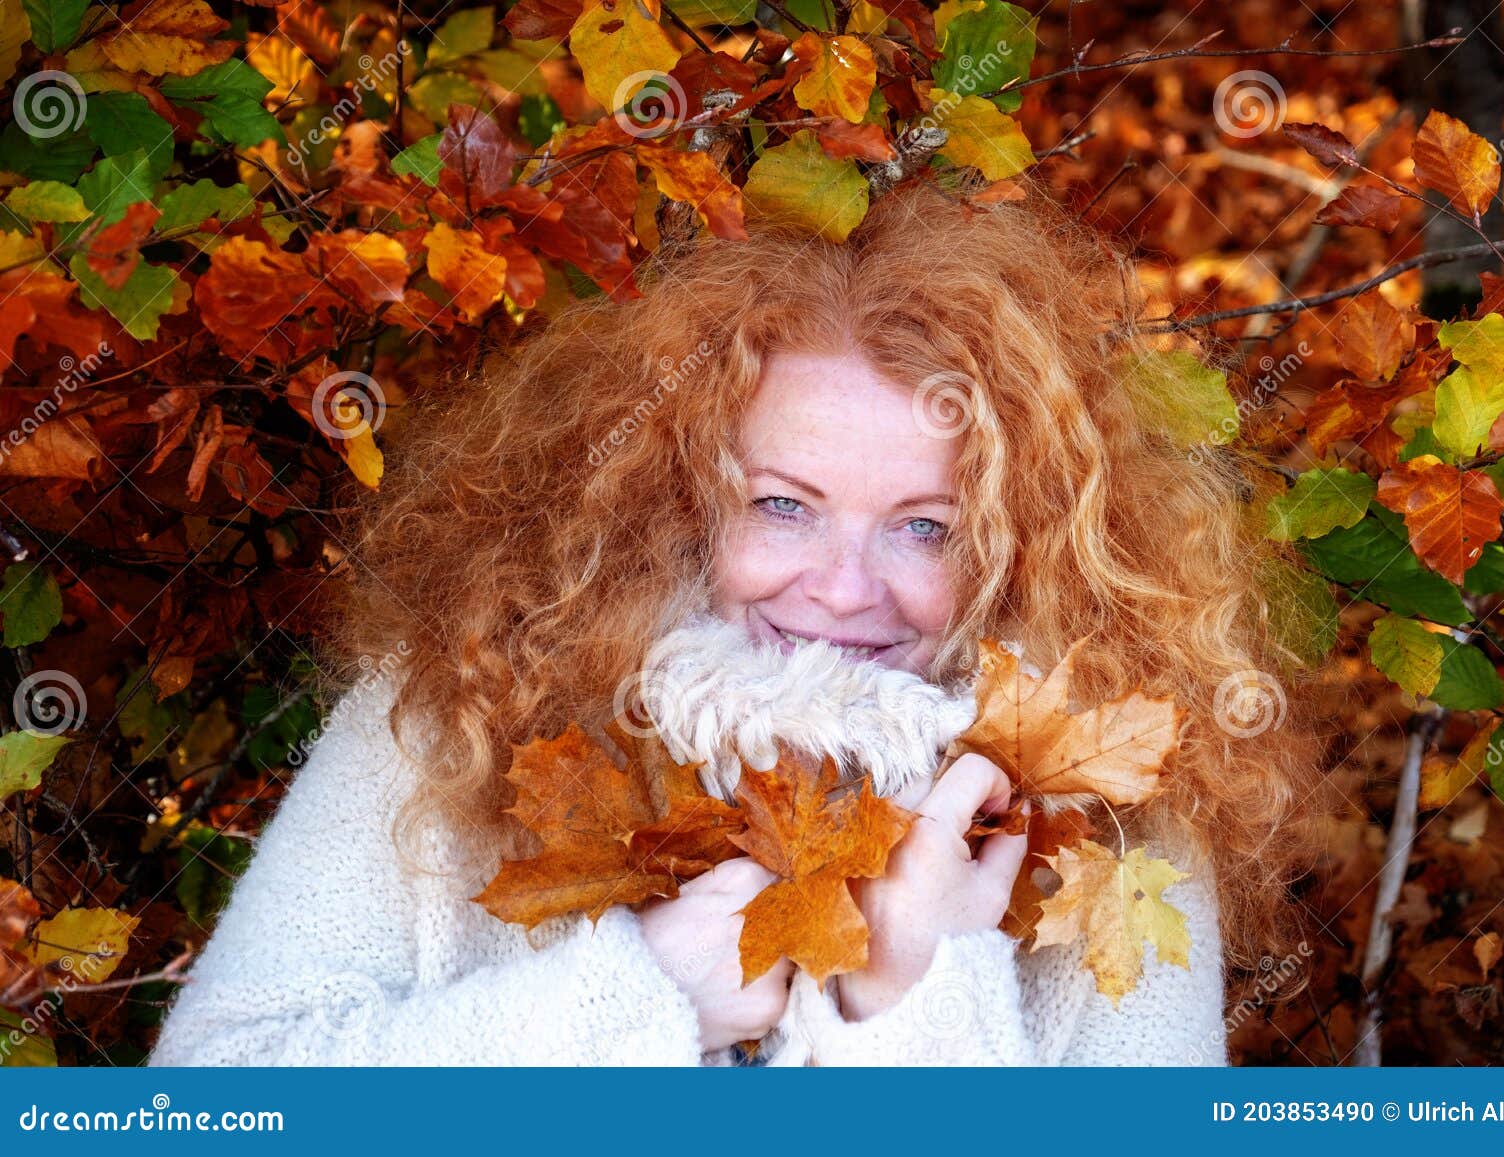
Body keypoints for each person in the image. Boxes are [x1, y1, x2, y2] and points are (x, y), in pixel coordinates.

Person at [147, 177, 1324, 1067]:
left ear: (1018, 549)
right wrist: (643, 992)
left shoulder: (1103, 819)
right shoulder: (460, 708)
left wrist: (919, 990)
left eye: (926, 525)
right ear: (676, 503)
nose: (844, 586)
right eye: (782, 505)